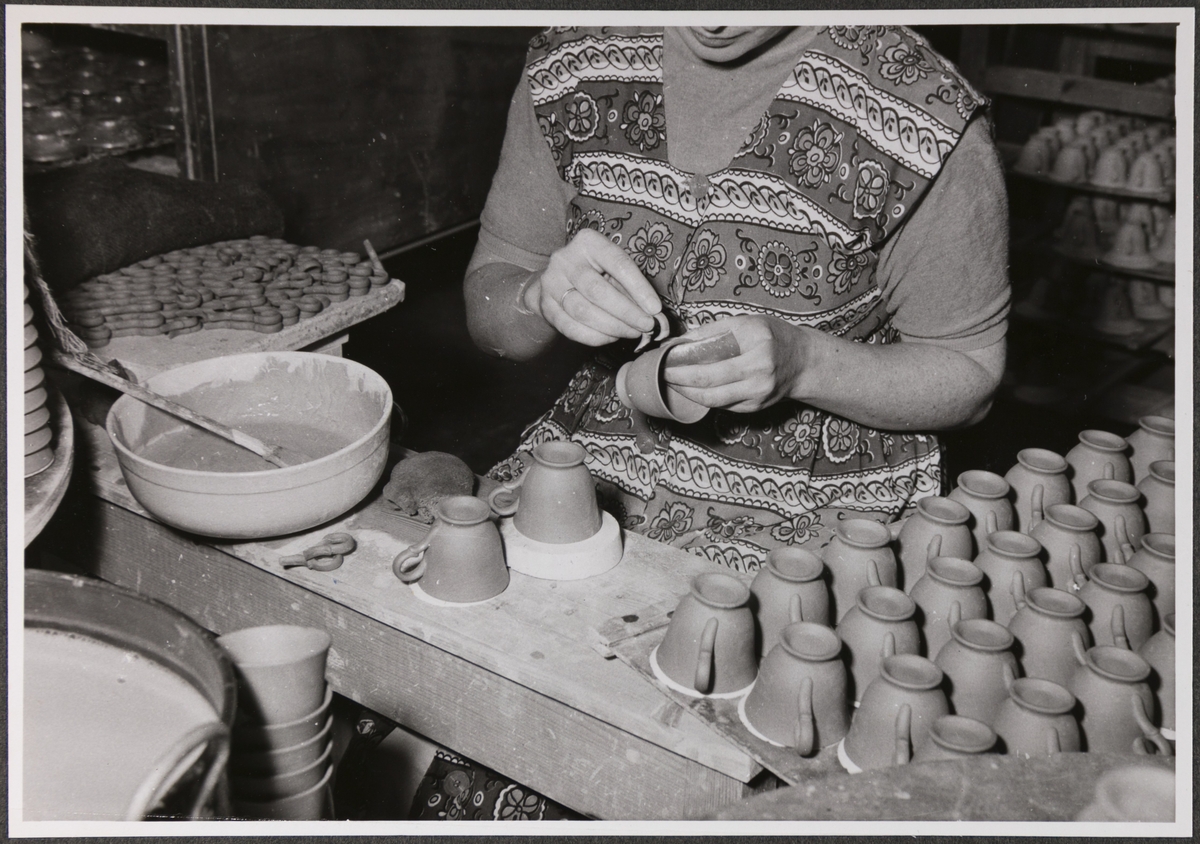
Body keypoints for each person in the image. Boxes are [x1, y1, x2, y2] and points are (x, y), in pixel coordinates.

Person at [465, 24, 1009, 573]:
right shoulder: (572, 62)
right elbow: (490, 303)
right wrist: (538, 297)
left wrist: (806, 365)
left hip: (816, 512)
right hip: (591, 472)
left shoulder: (921, 112)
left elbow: (972, 374)